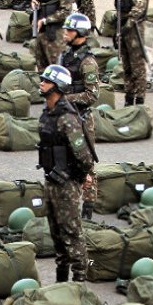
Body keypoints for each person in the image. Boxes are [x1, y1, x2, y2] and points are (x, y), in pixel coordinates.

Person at [37, 65, 94, 282]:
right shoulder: (47, 113)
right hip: (51, 182)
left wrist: (80, 178)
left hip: (66, 184)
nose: (41, 83)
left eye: (46, 81)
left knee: (72, 234)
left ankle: (79, 282)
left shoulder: (68, 118)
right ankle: (61, 282)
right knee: (57, 235)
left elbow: (84, 157)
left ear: (58, 87)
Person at [57, 13, 101, 216]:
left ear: (81, 33)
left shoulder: (88, 62)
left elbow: (92, 95)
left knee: (86, 163)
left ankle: (89, 207)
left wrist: (67, 99)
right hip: (65, 117)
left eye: (70, 30)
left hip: (82, 118)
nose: (65, 33)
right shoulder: (64, 56)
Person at [114, 0, 151, 106]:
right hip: (122, 19)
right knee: (126, 63)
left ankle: (140, 99)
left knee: (137, 64)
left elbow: (141, 3)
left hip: (134, 24)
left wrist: (129, 24)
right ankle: (129, 98)